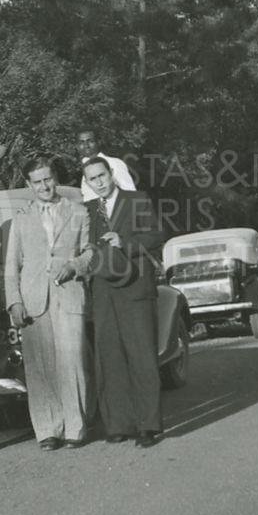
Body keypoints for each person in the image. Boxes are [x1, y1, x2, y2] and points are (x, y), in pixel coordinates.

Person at [4, 157, 93, 451]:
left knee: (72, 362)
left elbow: (91, 252)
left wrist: (74, 265)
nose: (43, 186)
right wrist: (14, 302)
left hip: (68, 294)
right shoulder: (20, 218)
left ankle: (75, 428)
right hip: (33, 300)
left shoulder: (79, 212)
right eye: (37, 181)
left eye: (47, 179)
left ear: (55, 179)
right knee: (40, 368)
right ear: (28, 185)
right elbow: (11, 267)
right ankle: (47, 430)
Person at [83, 156, 165, 447]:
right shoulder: (88, 210)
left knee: (142, 356)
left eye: (102, 175)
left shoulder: (137, 200)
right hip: (104, 290)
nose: (99, 182)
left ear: (111, 174)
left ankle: (149, 427)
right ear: (88, 182)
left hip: (135, 288)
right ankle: (118, 425)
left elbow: (157, 235)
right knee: (110, 357)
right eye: (92, 179)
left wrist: (125, 244)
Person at [78, 128, 136, 202]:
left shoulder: (114, 163)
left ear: (98, 142)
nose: (86, 145)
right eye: (81, 142)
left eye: (90, 141)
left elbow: (131, 193)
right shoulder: (85, 170)